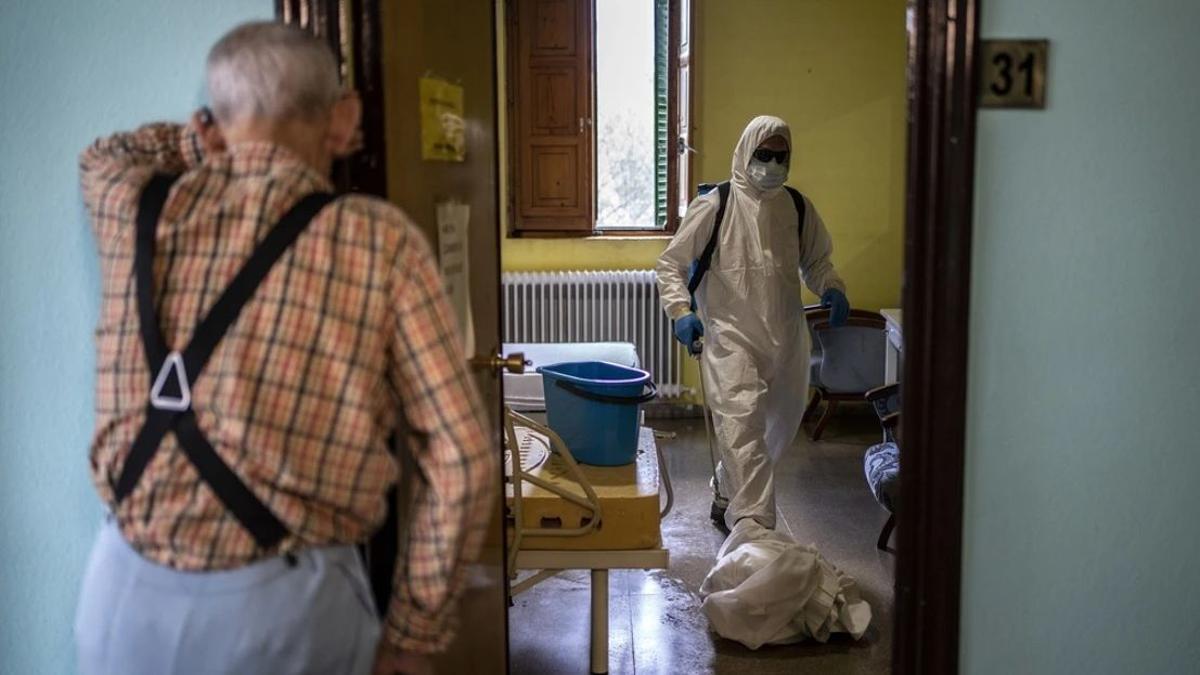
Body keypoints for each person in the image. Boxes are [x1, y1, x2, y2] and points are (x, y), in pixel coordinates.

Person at [73, 22, 496, 675]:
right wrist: (412, 636)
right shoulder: (378, 240)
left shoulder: (134, 204)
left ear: (214, 120)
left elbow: (105, 152)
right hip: (278, 614)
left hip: (120, 594)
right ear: (345, 116)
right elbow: (462, 456)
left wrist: (201, 138)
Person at [656, 115, 849, 533]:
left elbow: (815, 261)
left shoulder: (796, 206)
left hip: (786, 339)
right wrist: (681, 312)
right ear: (746, 151)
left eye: (781, 156)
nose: (773, 164)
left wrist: (830, 287)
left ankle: (728, 490)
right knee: (741, 427)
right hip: (731, 338)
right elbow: (670, 264)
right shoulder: (716, 205)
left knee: (773, 430)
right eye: (764, 154)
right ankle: (755, 531)